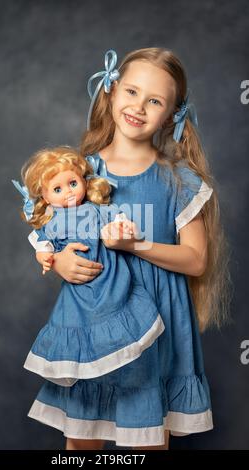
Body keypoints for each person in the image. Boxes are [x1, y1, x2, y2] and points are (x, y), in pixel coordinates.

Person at [26, 48, 232, 450]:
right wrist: (61, 261)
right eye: (132, 92)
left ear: (172, 114)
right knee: (82, 443)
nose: (139, 107)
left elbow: (196, 259)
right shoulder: (78, 173)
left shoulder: (179, 179)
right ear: (112, 91)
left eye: (154, 101)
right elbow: (54, 235)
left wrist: (136, 244)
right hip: (96, 324)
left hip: (158, 327)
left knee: (147, 441)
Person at [12, 146, 165, 387]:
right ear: (44, 197)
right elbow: (42, 244)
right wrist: (45, 257)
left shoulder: (95, 209)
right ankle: (90, 363)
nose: (68, 193)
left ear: (84, 181)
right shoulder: (52, 220)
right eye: (58, 189)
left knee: (117, 310)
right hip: (80, 288)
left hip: (110, 278)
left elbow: (119, 220)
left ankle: (120, 355)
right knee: (78, 322)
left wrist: (125, 229)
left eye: (73, 183)